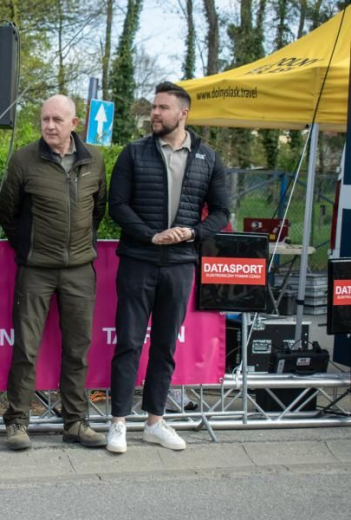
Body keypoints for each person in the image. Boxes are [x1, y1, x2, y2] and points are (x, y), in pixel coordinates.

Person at [106, 81, 229, 454]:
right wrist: (150, 236)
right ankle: (118, 422)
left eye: (162, 107)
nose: (154, 113)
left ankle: (155, 421)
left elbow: (222, 212)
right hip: (138, 262)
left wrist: (192, 232)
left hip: (180, 265)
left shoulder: (208, 157)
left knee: (164, 346)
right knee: (128, 342)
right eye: (154, 107)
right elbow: (117, 205)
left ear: (183, 114)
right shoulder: (134, 152)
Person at [0, 95, 108, 451]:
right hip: (36, 271)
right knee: (26, 349)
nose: (49, 126)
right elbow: (7, 213)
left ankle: (75, 422)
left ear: (74, 124)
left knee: (78, 349)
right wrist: (31, 249)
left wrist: (76, 249)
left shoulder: (95, 160)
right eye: (45, 119)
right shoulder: (23, 159)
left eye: (57, 120)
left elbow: (97, 211)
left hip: (79, 270)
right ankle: (17, 422)